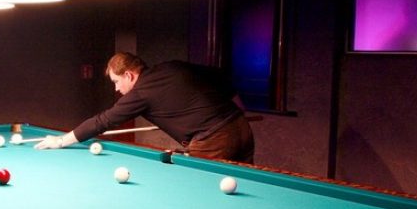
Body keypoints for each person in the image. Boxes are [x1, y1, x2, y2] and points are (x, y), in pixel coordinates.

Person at [35, 52, 255, 163]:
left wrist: (61, 140)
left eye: (116, 82)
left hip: (213, 140)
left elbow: (103, 121)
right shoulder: (172, 66)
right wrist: (238, 107)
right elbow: (218, 75)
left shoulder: (140, 93)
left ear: (129, 75)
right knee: (244, 182)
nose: (116, 88)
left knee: (201, 188)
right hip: (241, 126)